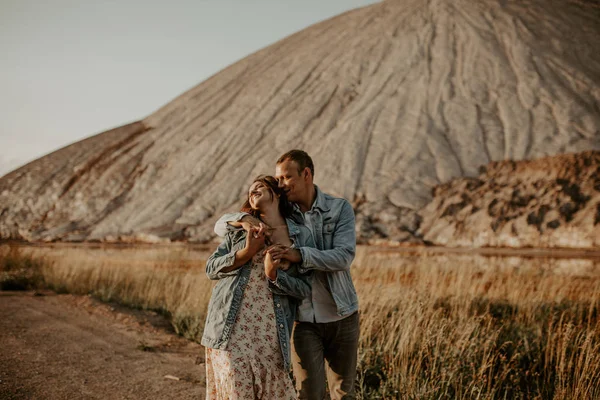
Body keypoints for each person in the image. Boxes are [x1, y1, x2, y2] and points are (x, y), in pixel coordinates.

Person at [214, 150, 359, 400]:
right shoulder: (283, 213)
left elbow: (344, 257)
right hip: (303, 320)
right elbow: (220, 224)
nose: (280, 184)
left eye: (286, 177)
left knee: (343, 394)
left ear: (306, 174)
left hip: (342, 314)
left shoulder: (338, 208)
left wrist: (299, 254)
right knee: (308, 394)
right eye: (278, 179)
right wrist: (243, 219)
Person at [202, 175, 313, 400]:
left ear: (278, 193)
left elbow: (304, 289)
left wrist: (273, 275)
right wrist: (246, 253)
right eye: (250, 191)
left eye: (259, 187)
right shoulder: (239, 230)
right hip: (231, 328)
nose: (253, 192)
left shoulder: (299, 234)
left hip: (269, 332)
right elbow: (211, 269)